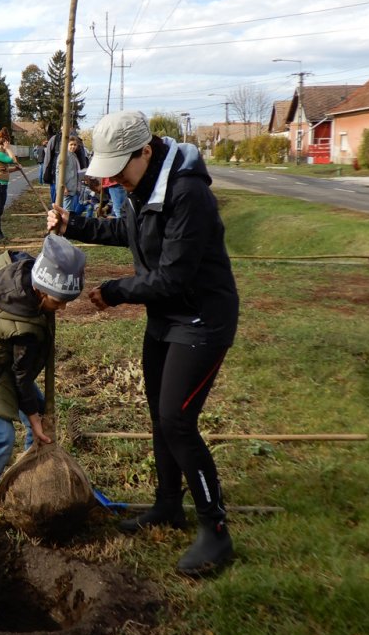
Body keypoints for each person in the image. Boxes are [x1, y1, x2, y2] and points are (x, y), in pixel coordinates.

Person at [46, 110, 239, 577]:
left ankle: (216, 532)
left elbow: (172, 276)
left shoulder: (187, 192)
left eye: (118, 169)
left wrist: (113, 292)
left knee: (177, 420)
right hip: (165, 319)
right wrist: (74, 225)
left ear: (145, 152)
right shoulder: (141, 185)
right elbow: (127, 233)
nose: (112, 179)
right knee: (159, 415)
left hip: (201, 319)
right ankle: (168, 506)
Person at [0, 234, 86, 538]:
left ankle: (32, 482)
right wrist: (35, 420)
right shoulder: (21, 323)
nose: (61, 310)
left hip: (0, 366)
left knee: (34, 415)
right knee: (1, 439)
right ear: (40, 291)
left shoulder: (24, 271)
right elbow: (21, 377)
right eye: (59, 302)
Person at [61, 137, 84, 213]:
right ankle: (65, 224)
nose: (73, 146)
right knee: (66, 210)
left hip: (73, 187)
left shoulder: (74, 155)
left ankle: (69, 222)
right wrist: (64, 186)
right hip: (67, 188)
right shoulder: (64, 156)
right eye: (71, 144)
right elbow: (59, 173)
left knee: (70, 210)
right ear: (66, 145)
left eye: (75, 145)